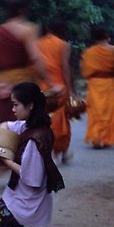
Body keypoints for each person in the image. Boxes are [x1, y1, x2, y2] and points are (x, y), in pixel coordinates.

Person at [0, 82, 65, 227]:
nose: (12, 109)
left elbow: (33, 178)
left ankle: (20, 221)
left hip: (27, 203)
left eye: (16, 105)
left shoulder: (35, 140)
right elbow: (9, 126)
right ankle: (30, 225)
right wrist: (2, 130)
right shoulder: (34, 127)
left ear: (30, 105)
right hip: (29, 201)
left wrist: (5, 161)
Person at [0, 0, 63, 123]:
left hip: (5, 86)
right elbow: (36, 57)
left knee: (8, 129)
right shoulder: (27, 29)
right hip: (24, 84)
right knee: (28, 127)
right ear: (23, 11)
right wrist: (50, 83)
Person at [37, 20, 78, 163]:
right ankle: (63, 152)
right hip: (59, 87)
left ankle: (44, 152)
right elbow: (66, 68)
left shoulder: (37, 44)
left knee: (43, 120)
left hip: (42, 87)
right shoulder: (63, 45)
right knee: (61, 120)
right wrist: (71, 89)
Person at [81, 26, 114, 149]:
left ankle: (97, 138)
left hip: (95, 83)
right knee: (109, 110)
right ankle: (105, 139)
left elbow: (85, 71)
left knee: (96, 111)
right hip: (109, 82)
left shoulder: (89, 52)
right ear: (107, 36)